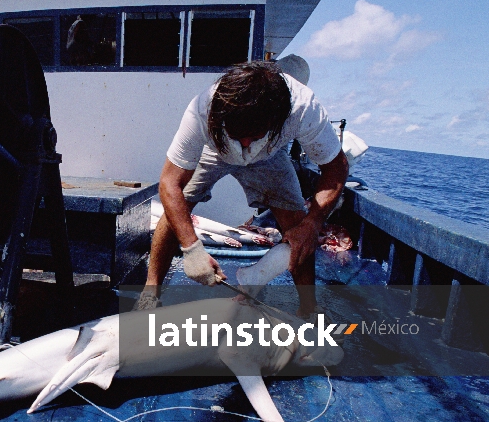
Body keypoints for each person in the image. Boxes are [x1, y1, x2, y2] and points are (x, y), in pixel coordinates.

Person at [137, 59, 349, 317]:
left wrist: (313, 222)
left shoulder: (304, 109)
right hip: (215, 149)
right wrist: (192, 248)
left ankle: (308, 309)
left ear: (279, 118)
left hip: (269, 155)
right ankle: (151, 291)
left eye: (254, 135)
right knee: (176, 210)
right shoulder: (201, 110)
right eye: (239, 134)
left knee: (297, 225)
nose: (246, 144)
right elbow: (170, 184)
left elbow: (336, 168)